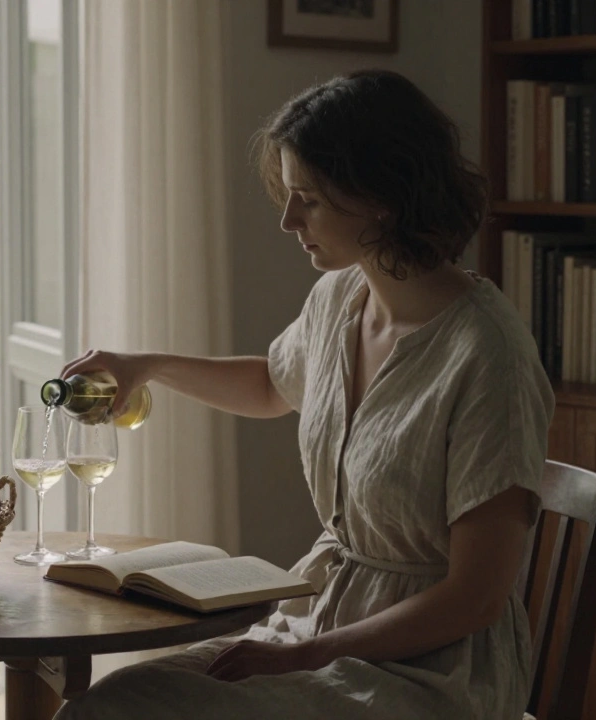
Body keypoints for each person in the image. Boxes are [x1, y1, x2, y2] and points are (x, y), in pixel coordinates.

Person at [53, 69, 554, 719]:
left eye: (309, 199)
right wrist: (145, 366)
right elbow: (272, 382)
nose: (289, 220)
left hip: (431, 671)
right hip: (317, 623)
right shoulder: (342, 297)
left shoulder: (488, 354)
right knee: (110, 704)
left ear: (380, 195)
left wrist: (305, 658)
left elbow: (476, 599)